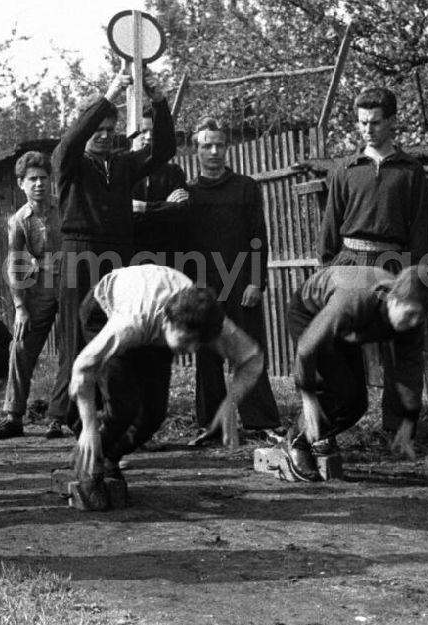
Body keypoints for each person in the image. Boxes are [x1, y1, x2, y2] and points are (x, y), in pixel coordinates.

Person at [70, 264, 264, 509]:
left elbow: (253, 359)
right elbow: (83, 368)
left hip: (157, 315)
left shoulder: (209, 321)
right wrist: (89, 428)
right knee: (123, 406)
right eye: (187, 341)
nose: (192, 350)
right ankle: (89, 461)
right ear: (168, 323)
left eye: (199, 343)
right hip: (104, 308)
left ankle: (108, 457)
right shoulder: (130, 324)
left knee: (154, 414)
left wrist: (230, 403)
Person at [48, 70, 175, 438]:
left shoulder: (121, 164)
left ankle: (113, 413)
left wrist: (160, 101)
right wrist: (109, 94)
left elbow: (163, 149)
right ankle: (68, 415)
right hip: (79, 253)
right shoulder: (68, 162)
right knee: (76, 335)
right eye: (96, 127)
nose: (103, 134)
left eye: (109, 127)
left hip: (120, 256)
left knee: (118, 335)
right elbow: (70, 142)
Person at [318, 87, 428, 434]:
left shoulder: (411, 171)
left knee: (403, 351)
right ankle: (327, 427)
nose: (368, 129)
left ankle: (399, 432)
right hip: (351, 263)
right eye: (363, 122)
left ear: (393, 122)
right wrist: (328, 273)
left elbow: (420, 229)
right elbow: (330, 228)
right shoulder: (344, 169)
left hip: (395, 264)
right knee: (336, 344)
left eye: (376, 122)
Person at [284, 265, 428, 479]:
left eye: (420, 317)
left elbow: (409, 368)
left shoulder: (411, 321)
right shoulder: (354, 301)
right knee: (340, 392)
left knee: (357, 404)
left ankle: (317, 436)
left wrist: (408, 420)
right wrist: (308, 396)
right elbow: (307, 346)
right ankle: (297, 441)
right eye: (411, 314)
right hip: (310, 314)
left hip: (346, 328)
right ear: (393, 299)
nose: (414, 322)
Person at [183, 118, 281, 445]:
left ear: (227, 148)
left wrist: (256, 282)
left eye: (219, 145)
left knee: (249, 351)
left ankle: (260, 420)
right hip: (204, 286)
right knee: (207, 356)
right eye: (206, 145)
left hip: (241, 282)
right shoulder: (188, 194)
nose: (213, 151)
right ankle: (210, 426)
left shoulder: (245, 187)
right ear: (195, 150)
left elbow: (258, 237)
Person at [0, 151, 62, 439]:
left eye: (43, 178)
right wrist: (20, 306)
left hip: (72, 283)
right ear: (21, 183)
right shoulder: (19, 220)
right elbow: (14, 264)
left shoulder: (65, 207)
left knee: (74, 348)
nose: (38, 184)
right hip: (39, 287)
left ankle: (60, 417)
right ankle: (14, 415)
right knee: (20, 345)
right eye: (32, 179)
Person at [130, 108, 188, 264]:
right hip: (129, 258)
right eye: (143, 131)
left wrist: (142, 207)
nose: (149, 137)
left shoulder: (173, 172)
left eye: (153, 132)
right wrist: (164, 207)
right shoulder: (118, 171)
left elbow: (181, 212)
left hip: (166, 258)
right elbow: (119, 216)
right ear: (131, 133)